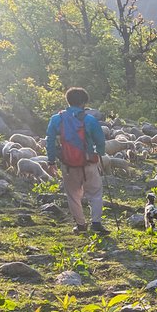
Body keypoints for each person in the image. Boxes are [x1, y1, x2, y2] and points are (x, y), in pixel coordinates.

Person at [45, 87, 109, 234]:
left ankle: (80, 225)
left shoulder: (56, 119)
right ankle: (96, 223)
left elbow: (49, 141)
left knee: (73, 195)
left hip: (68, 165)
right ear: (83, 103)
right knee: (95, 193)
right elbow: (100, 140)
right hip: (89, 163)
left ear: (68, 101)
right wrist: (100, 154)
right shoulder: (90, 119)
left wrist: (51, 161)